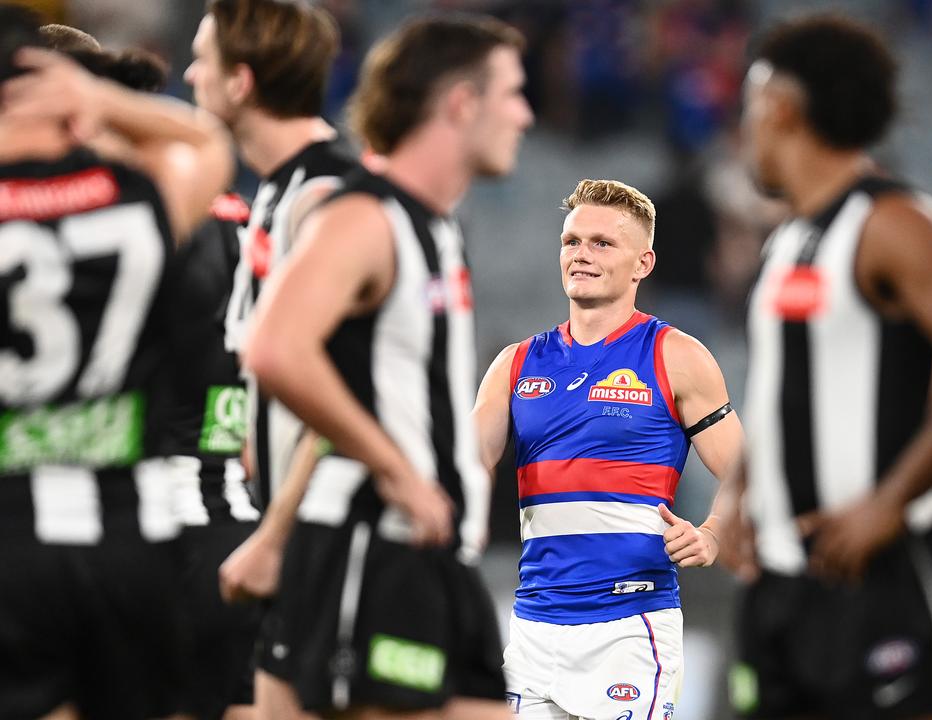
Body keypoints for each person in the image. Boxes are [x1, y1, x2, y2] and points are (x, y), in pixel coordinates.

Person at [721, 14, 932, 720]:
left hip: (881, 579)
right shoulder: (789, 240)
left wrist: (890, 501)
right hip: (781, 582)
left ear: (779, 106)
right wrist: (740, 492)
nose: (744, 131)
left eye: (748, 110)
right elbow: (784, 390)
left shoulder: (893, 222)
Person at [242, 14, 533, 718]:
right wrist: (399, 470)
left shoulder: (433, 225)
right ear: (461, 103)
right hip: (373, 544)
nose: (524, 114)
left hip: (432, 551)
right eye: (511, 93)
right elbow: (275, 347)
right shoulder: (364, 217)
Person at [0, 5, 234, 718]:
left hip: (11, 537)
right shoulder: (138, 201)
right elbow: (210, 144)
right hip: (133, 536)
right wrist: (105, 100)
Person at [471, 178, 745, 720]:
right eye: (571, 241)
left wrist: (713, 534)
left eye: (602, 243)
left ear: (643, 264)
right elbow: (460, 471)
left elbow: (749, 474)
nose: (581, 254)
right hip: (534, 629)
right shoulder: (515, 365)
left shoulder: (676, 357)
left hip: (630, 629)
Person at [180, 1, 359, 714]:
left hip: (329, 536)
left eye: (203, 59)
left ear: (241, 83)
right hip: (292, 525)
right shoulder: (275, 193)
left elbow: (347, 391)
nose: (189, 74)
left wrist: (275, 535)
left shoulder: (322, 197)